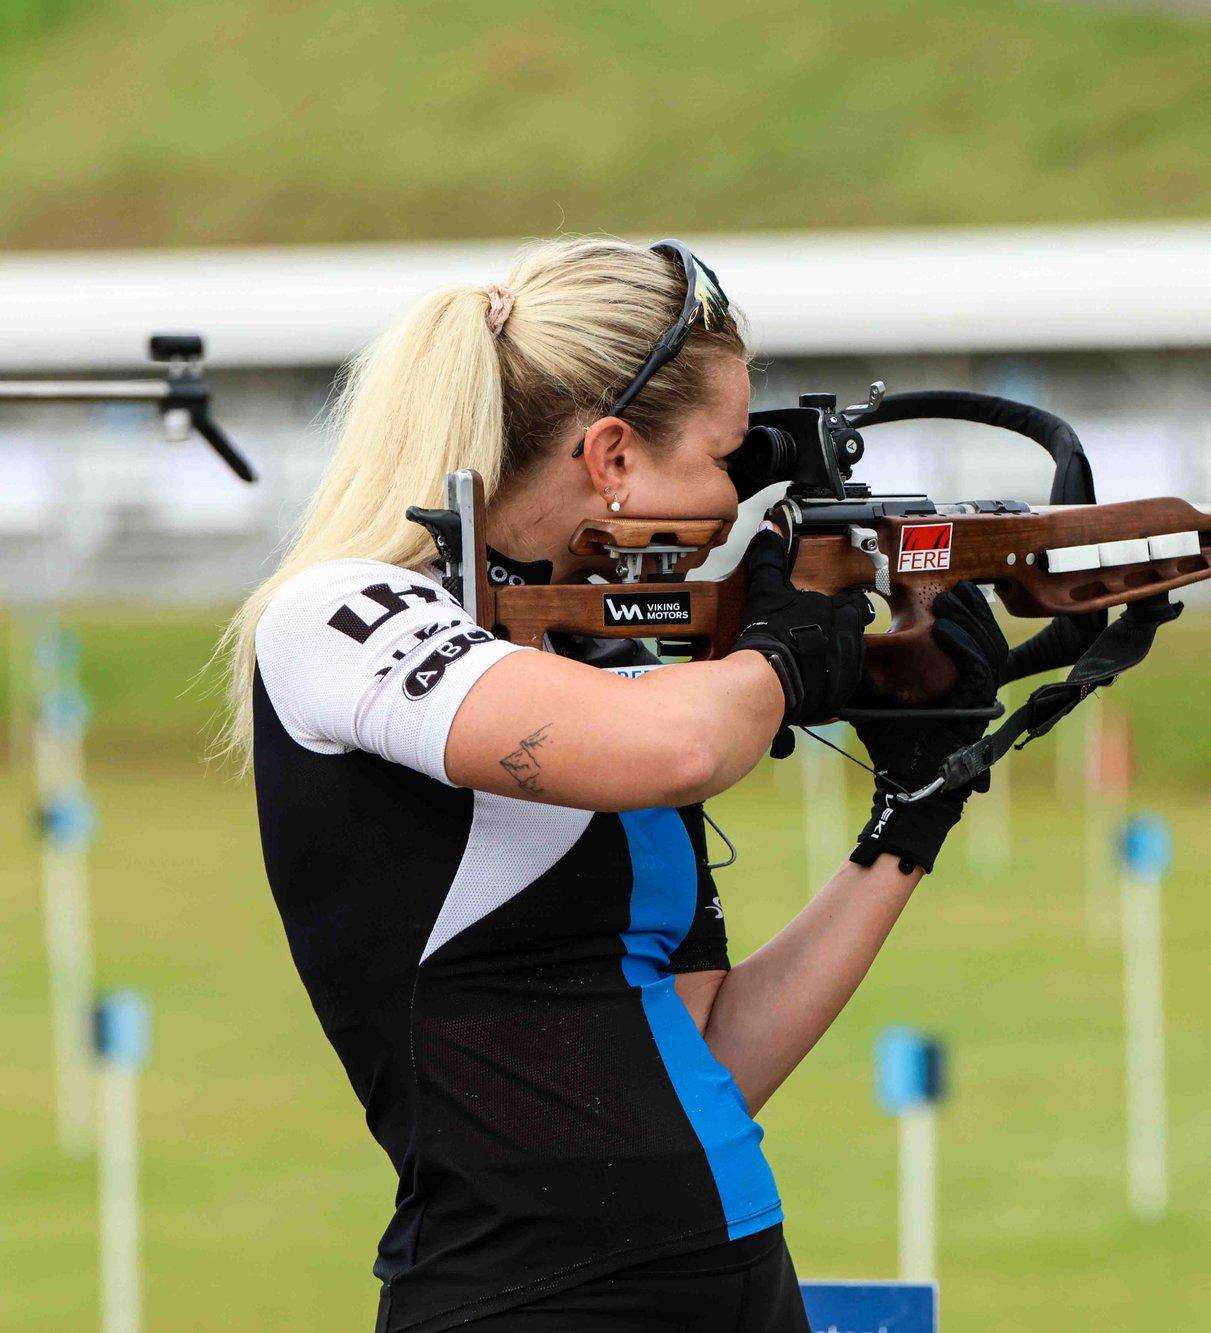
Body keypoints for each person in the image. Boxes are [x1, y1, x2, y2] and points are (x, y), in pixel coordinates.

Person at [217, 237, 1005, 1332]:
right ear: (613, 457)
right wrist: (786, 652)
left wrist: (911, 813)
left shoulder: (604, 664)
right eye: (726, 456)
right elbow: (678, 746)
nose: (735, 497)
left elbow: (703, 1057)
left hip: (735, 1277)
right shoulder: (339, 614)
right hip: (523, 1298)